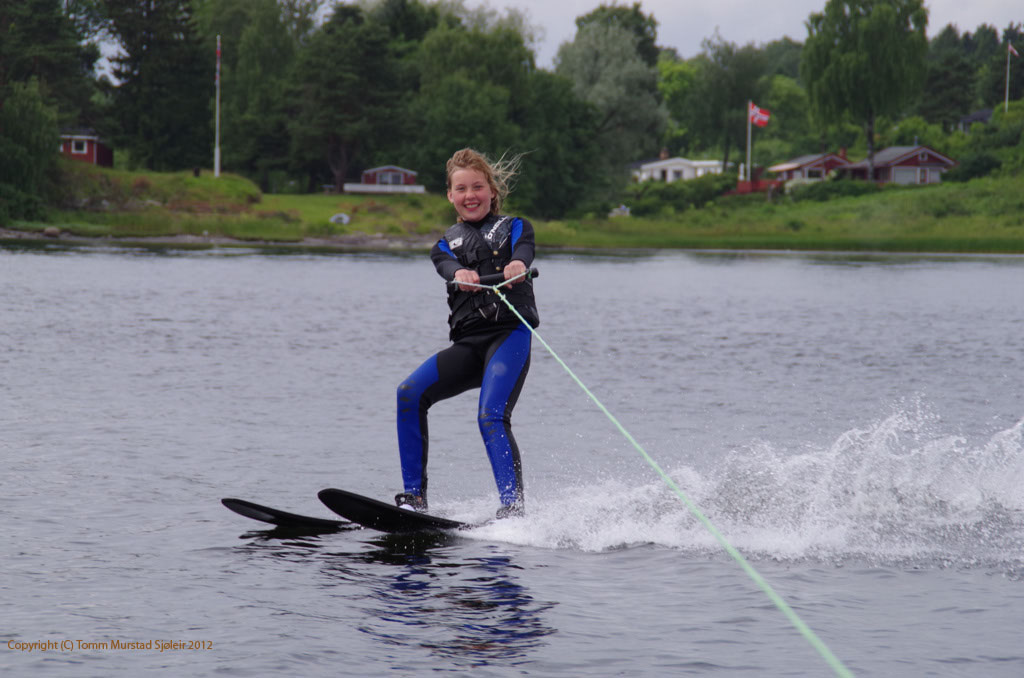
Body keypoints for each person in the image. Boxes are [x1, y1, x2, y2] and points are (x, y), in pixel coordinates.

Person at [395, 148, 539, 519]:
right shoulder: (444, 246)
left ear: (491, 191)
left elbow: (524, 250)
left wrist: (517, 263)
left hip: (508, 339)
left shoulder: (516, 227)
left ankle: (513, 509)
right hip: (469, 347)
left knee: (490, 415)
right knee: (409, 393)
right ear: (450, 195)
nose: (470, 195)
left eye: (477, 187)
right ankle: (414, 499)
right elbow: (446, 266)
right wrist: (459, 273)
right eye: (461, 189)